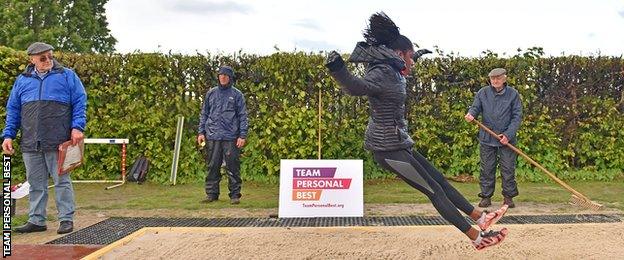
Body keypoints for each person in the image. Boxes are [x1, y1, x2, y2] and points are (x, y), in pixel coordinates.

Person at [325, 12, 508, 250]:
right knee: (434, 191)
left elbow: (400, 73)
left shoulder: (394, 70)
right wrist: (338, 70)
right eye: (409, 57)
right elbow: (358, 87)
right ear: (399, 54)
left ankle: (480, 217)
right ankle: (477, 237)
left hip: (400, 142)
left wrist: (416, 57)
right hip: (386, 149)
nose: (411, 63)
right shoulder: (381, 72)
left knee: (439, 181)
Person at [2, 42, 87, 234]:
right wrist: (8, 135)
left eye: (50, 56)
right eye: (42, 58)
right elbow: (13, 109)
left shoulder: (67, 76)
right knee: (35, 183)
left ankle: (66, 219)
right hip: (30, 141)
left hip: (59, 140)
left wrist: (77, 127)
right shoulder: (22, 81)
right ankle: (37, 220)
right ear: (31, 60)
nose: (48, 60)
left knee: (62, 181)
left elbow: (80, 102)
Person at [464, 68, 522, 208]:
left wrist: (508, 135)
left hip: (506, 139)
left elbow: (517, 117)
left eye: (498, 78)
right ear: (490, 80)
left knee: (508, 169)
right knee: (487, 169)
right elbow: (475, 108)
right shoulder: (482, 93)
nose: (495, 80)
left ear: (504, 79)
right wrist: (471, 114)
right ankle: (486, 197)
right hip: (487, 138)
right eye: (492, 78)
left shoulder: (513, 94)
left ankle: (508, 198)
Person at [197, 66, 248, 205]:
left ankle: (235, 195)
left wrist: (242, 135)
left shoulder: (237, 95)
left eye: (226, 75)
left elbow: (243, 116)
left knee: (233, 166)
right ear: (218, 77)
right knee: (212, 166)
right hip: (212, 136)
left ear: (230, 77)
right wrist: (201, 132)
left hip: (231, 137)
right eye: (221, 75)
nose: (223, 77)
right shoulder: (211, 93)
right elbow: (204, 114)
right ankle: (211, 194)